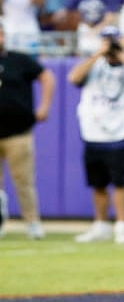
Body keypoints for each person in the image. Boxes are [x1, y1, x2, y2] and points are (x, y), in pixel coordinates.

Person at [68, 26, 124, 244]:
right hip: (92, 131)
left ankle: (122, 225)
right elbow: (73, 77)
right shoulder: (94, 65)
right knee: (98, 183)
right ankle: (101, 224)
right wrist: (97, 54)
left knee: (119, 182)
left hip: (119, 131)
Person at [0, 20, 54, 239]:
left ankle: (32, 223)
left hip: (18, 132)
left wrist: (44, 106)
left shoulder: (18, 60)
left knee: (24, 182)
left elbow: (47, 76)